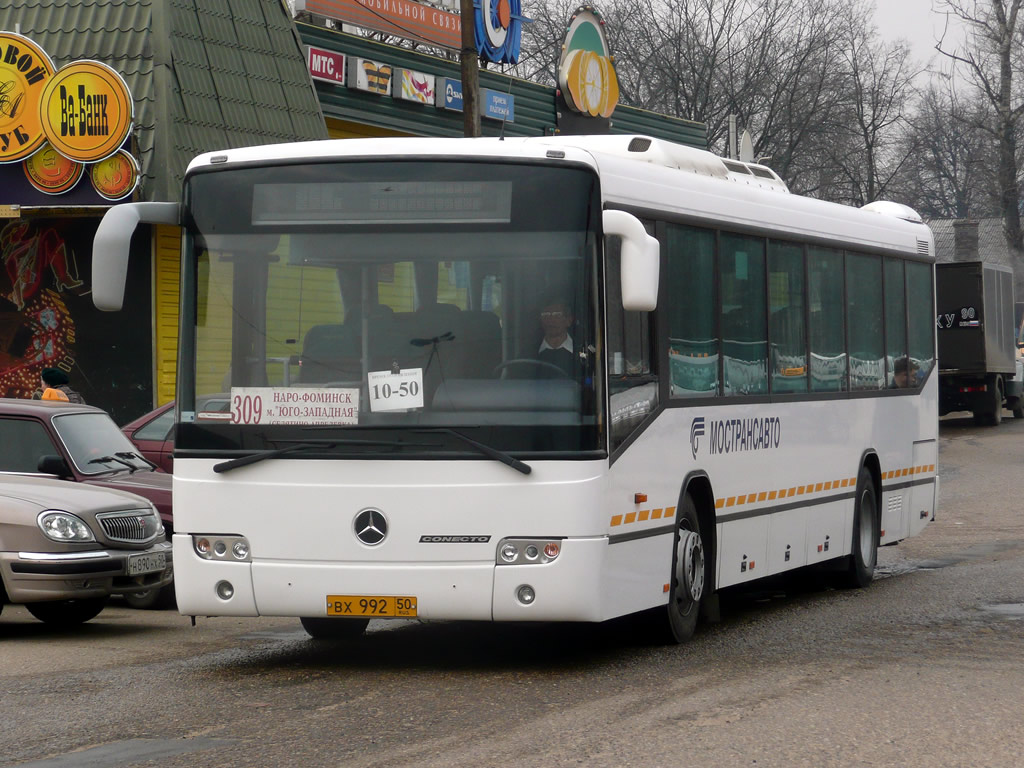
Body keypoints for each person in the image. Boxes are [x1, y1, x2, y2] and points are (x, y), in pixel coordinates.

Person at [537, 299, 577, 378]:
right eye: (546, 315)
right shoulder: (528, 353)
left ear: (569, 320)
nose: (551, 321)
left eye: (557, 315)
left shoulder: (581, 351)